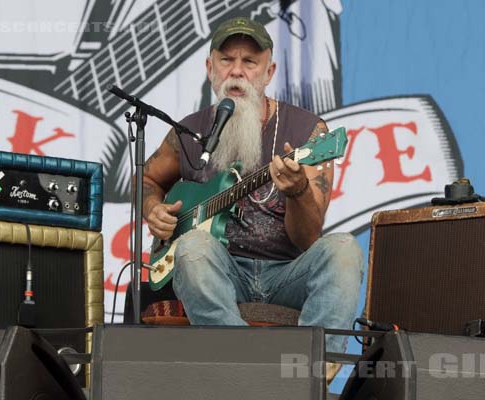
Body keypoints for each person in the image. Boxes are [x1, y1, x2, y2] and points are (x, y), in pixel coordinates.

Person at [140, 17, 363, 355]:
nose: (237, 71)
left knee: (344, 249)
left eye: (250, 62)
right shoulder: (188, 132)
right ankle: (246, 365)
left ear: (269, 71)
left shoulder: (309, 131)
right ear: (209, 66)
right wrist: (152, 208)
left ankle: (314, 370)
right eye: (227, 60)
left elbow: (308, 237)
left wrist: (298, 189)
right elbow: (147, 179)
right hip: (221, 272)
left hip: (287, 274)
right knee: (191, 247)